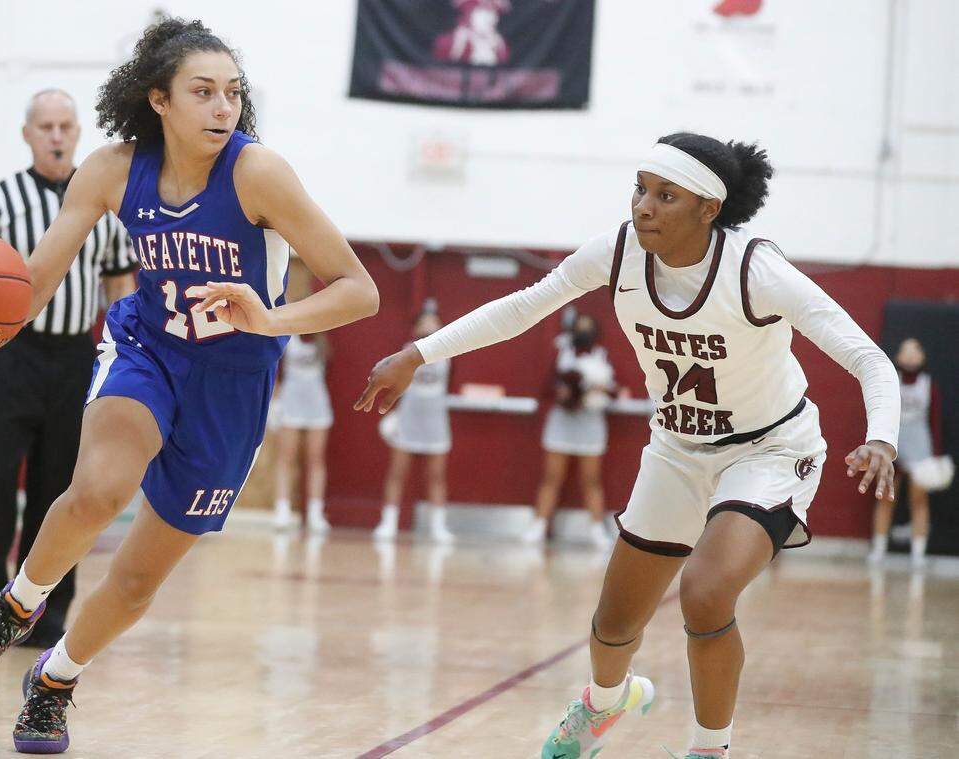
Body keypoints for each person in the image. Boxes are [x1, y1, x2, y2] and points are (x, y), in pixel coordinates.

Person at [0, 18, 377, 755]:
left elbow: (361, 291)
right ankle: (14, 606)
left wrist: (270, 317)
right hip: (148, 347)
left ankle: (54, 682)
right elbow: (28, 289)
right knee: (98, 487)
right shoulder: (111, 170)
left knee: (134, 581)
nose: (223, 107)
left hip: (233, 382)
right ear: (158, 99)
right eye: (203, 92)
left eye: (232, 93)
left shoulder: (260, 174)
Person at [356, 133, 899, 759]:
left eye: (665, 196)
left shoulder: (755, 270)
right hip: (674, 447)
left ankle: (708, 749)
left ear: (707, 210)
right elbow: (525, 306)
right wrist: (417, 353)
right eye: (640, 189)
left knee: (705, 592)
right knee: (614, 624)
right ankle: (607, 703)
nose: (643, 206)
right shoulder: (616, 251)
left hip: (770, 449)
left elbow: (867, 358)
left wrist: (881, 436)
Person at [0, 89, 138, 650]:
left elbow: (120, 288)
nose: (56, 135)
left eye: (65, 126)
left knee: (61, 489)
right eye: (45, 126)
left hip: (77, 357)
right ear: (27, 134)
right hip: (11, 354)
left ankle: (43, 611)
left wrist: (121, 367)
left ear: (78, 132)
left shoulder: (104, 200)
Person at [524, 312, 616, 548]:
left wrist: (599, 390)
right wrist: (562, 392)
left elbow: (613, 392)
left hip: (591, 423)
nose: (583, 333)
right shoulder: (560, 353)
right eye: (579, 327)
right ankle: (539, 525)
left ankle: (597, 530)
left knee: (591, 480)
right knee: (551, 477)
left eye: (588, 328)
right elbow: (545, 387)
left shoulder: (602, 356)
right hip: (562, 422)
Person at [372, 301, 455, 544]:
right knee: (397, 472)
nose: (430, 325)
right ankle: (388, 523)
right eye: (425, 321)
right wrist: (393, 416)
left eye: (434, 320)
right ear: (416, 327)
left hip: (436, 418)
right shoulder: (406, 352)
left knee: (436, 476)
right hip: (409, 416)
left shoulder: (449, 351)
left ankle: (438, 526)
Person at [869, 337, 941, 568]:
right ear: (898, 356)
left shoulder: (929, 385)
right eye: (906, 351)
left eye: (915, 350)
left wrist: (934, 456)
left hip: (920, 445)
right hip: (894, 444)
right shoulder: (890, 382)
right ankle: (879, 550)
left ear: (922, 357)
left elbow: (935, 422)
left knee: (919, 501)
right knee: (886, 497)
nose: (910, 355)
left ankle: (918, 554)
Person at [272, 328, 334, 533]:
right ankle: (282, 510)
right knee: (285, 458)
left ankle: (316, 513)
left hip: (317, 404)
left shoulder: (321, 343)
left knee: (316, 459)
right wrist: (275, 404)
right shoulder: (287, 339)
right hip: (291, 403)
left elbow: (329, 369)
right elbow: (276, 373)